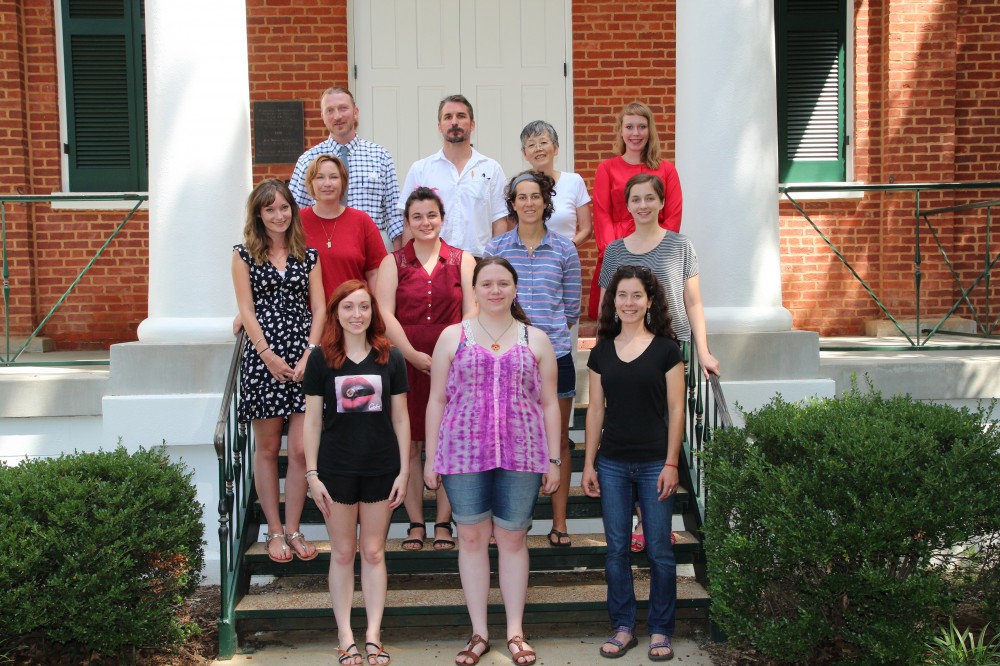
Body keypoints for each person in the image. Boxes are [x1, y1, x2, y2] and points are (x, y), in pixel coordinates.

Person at [423, 257, 562, 666]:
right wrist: (432, 457)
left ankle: (515, 632)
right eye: (487, 283)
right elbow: (436, 400)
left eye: (503, 283)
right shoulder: (452, 337)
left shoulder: (535, 339)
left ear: (515, 289)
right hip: (463, 453)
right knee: (470, 538)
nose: (496, 290)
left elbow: (550, 404)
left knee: (513, 539)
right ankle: (479, 633)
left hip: (522, 454)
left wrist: (553, 458)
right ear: (476, 289)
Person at [303, 280, 410, 666]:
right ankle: (345, 635)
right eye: (348, 307)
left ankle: (373, 636)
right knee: (345, 552)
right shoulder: (321, 360)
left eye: (363, 307)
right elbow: (312, 422)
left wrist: (403, 472)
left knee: (374, 552)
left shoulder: (390, 358)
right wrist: (312, 474)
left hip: (382, 470)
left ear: (373, 312)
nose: (356, 314)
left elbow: (401, 418)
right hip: (336, 470)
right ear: (336, 313)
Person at [582, 265, 685, 662]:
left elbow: (676, 410)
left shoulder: (666, 349)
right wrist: (588, 464)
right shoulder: (601, 351)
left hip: (655, 462)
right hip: (611, 464)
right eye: (621, 295)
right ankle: (623, 627)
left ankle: (661, 629)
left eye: (636, 295)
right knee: (617, 550)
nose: (628, 302)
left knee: (659, 549)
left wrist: (672, 462)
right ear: (614, 301)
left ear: (650, 301)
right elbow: (594, 412)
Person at [374, 187, 477, 552]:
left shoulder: (463, 260)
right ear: (407, 221)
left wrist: (454, 352)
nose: (424, 222)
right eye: (416, 216)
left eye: (431, 215)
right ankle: (416, 523)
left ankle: (444, 522)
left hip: (454, 360)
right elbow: (384, 314)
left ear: (442, 218)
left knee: (450, 439)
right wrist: (412, 354)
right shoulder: (393, 261)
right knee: (413, 442)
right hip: (406, 361)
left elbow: (472, 310)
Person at [484, 171, 581, 548]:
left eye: (535, 196)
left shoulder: (564, 249)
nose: (528, 203)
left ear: (546, 201)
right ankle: (502, 524)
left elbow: (571, 308)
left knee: (558, 440)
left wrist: (543, 336)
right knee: (503, 437)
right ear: (512, 204)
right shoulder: (497, 248)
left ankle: (559, 524)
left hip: (554, 355)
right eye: (521, 197)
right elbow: (488, 302)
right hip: (507, 359)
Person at [231, 178, 325, 565]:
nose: (278, 214)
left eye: (284, 207)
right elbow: (247, 311)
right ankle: (273, 531)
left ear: (293, 210)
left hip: (303, 358)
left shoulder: (310, 255)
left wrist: (310, 354)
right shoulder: (243, 255)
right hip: (263, 359)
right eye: (269, 208)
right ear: (258, 214)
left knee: (302, 450)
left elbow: (319, 309)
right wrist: (267, 355)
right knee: (268, 449)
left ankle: (295, 529)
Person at [589, 101, 683, 320]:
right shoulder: (607, 168)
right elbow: (602, 215)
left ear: (650, 130)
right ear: (620, 131)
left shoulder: (666, 170)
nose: (635, 133)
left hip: (657, 255)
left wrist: (654, 251)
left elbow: (673, 216)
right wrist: (618, 253)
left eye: (641, 126)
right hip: (617, 254)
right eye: (629, 127)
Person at [289, 86, 405, 250]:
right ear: (322, 116)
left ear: (355, 112)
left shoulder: (380, 156)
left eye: (343, 108)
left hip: (371, 248)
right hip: (323, 249)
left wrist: (399, 260)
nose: (337, 116)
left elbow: (394, 214)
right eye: (330, 110)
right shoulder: (307, 161)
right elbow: (293, 213)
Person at [398, 94, 508, 258]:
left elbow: (499, 222)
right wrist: (407, 266)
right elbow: (408, 225)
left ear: (472, 124)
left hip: (479, 261)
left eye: (461, 116)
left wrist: (496, 263)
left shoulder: (491, 169)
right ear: (439, 126)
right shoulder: (420, 170)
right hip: (432, 261)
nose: (454, 122)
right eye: (448, 117)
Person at [299, 154, 387, 297]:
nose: (327, 183)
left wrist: (377, 311)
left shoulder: (362, 221)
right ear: (311, 183)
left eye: (334, 177)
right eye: (320, 177)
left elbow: (375, 273)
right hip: (308, 315)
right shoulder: (297, 222)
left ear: (343, 182)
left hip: (353, 314)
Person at [519, 120, 592, 247]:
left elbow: (586, 229)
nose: (538, 149)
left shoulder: (574, 181)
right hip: (527, 260)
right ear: (524, 154)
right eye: (531, 145)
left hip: (565, 261)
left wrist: (567, 249)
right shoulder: (519, 185)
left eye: (543, 142)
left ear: (556, 148)